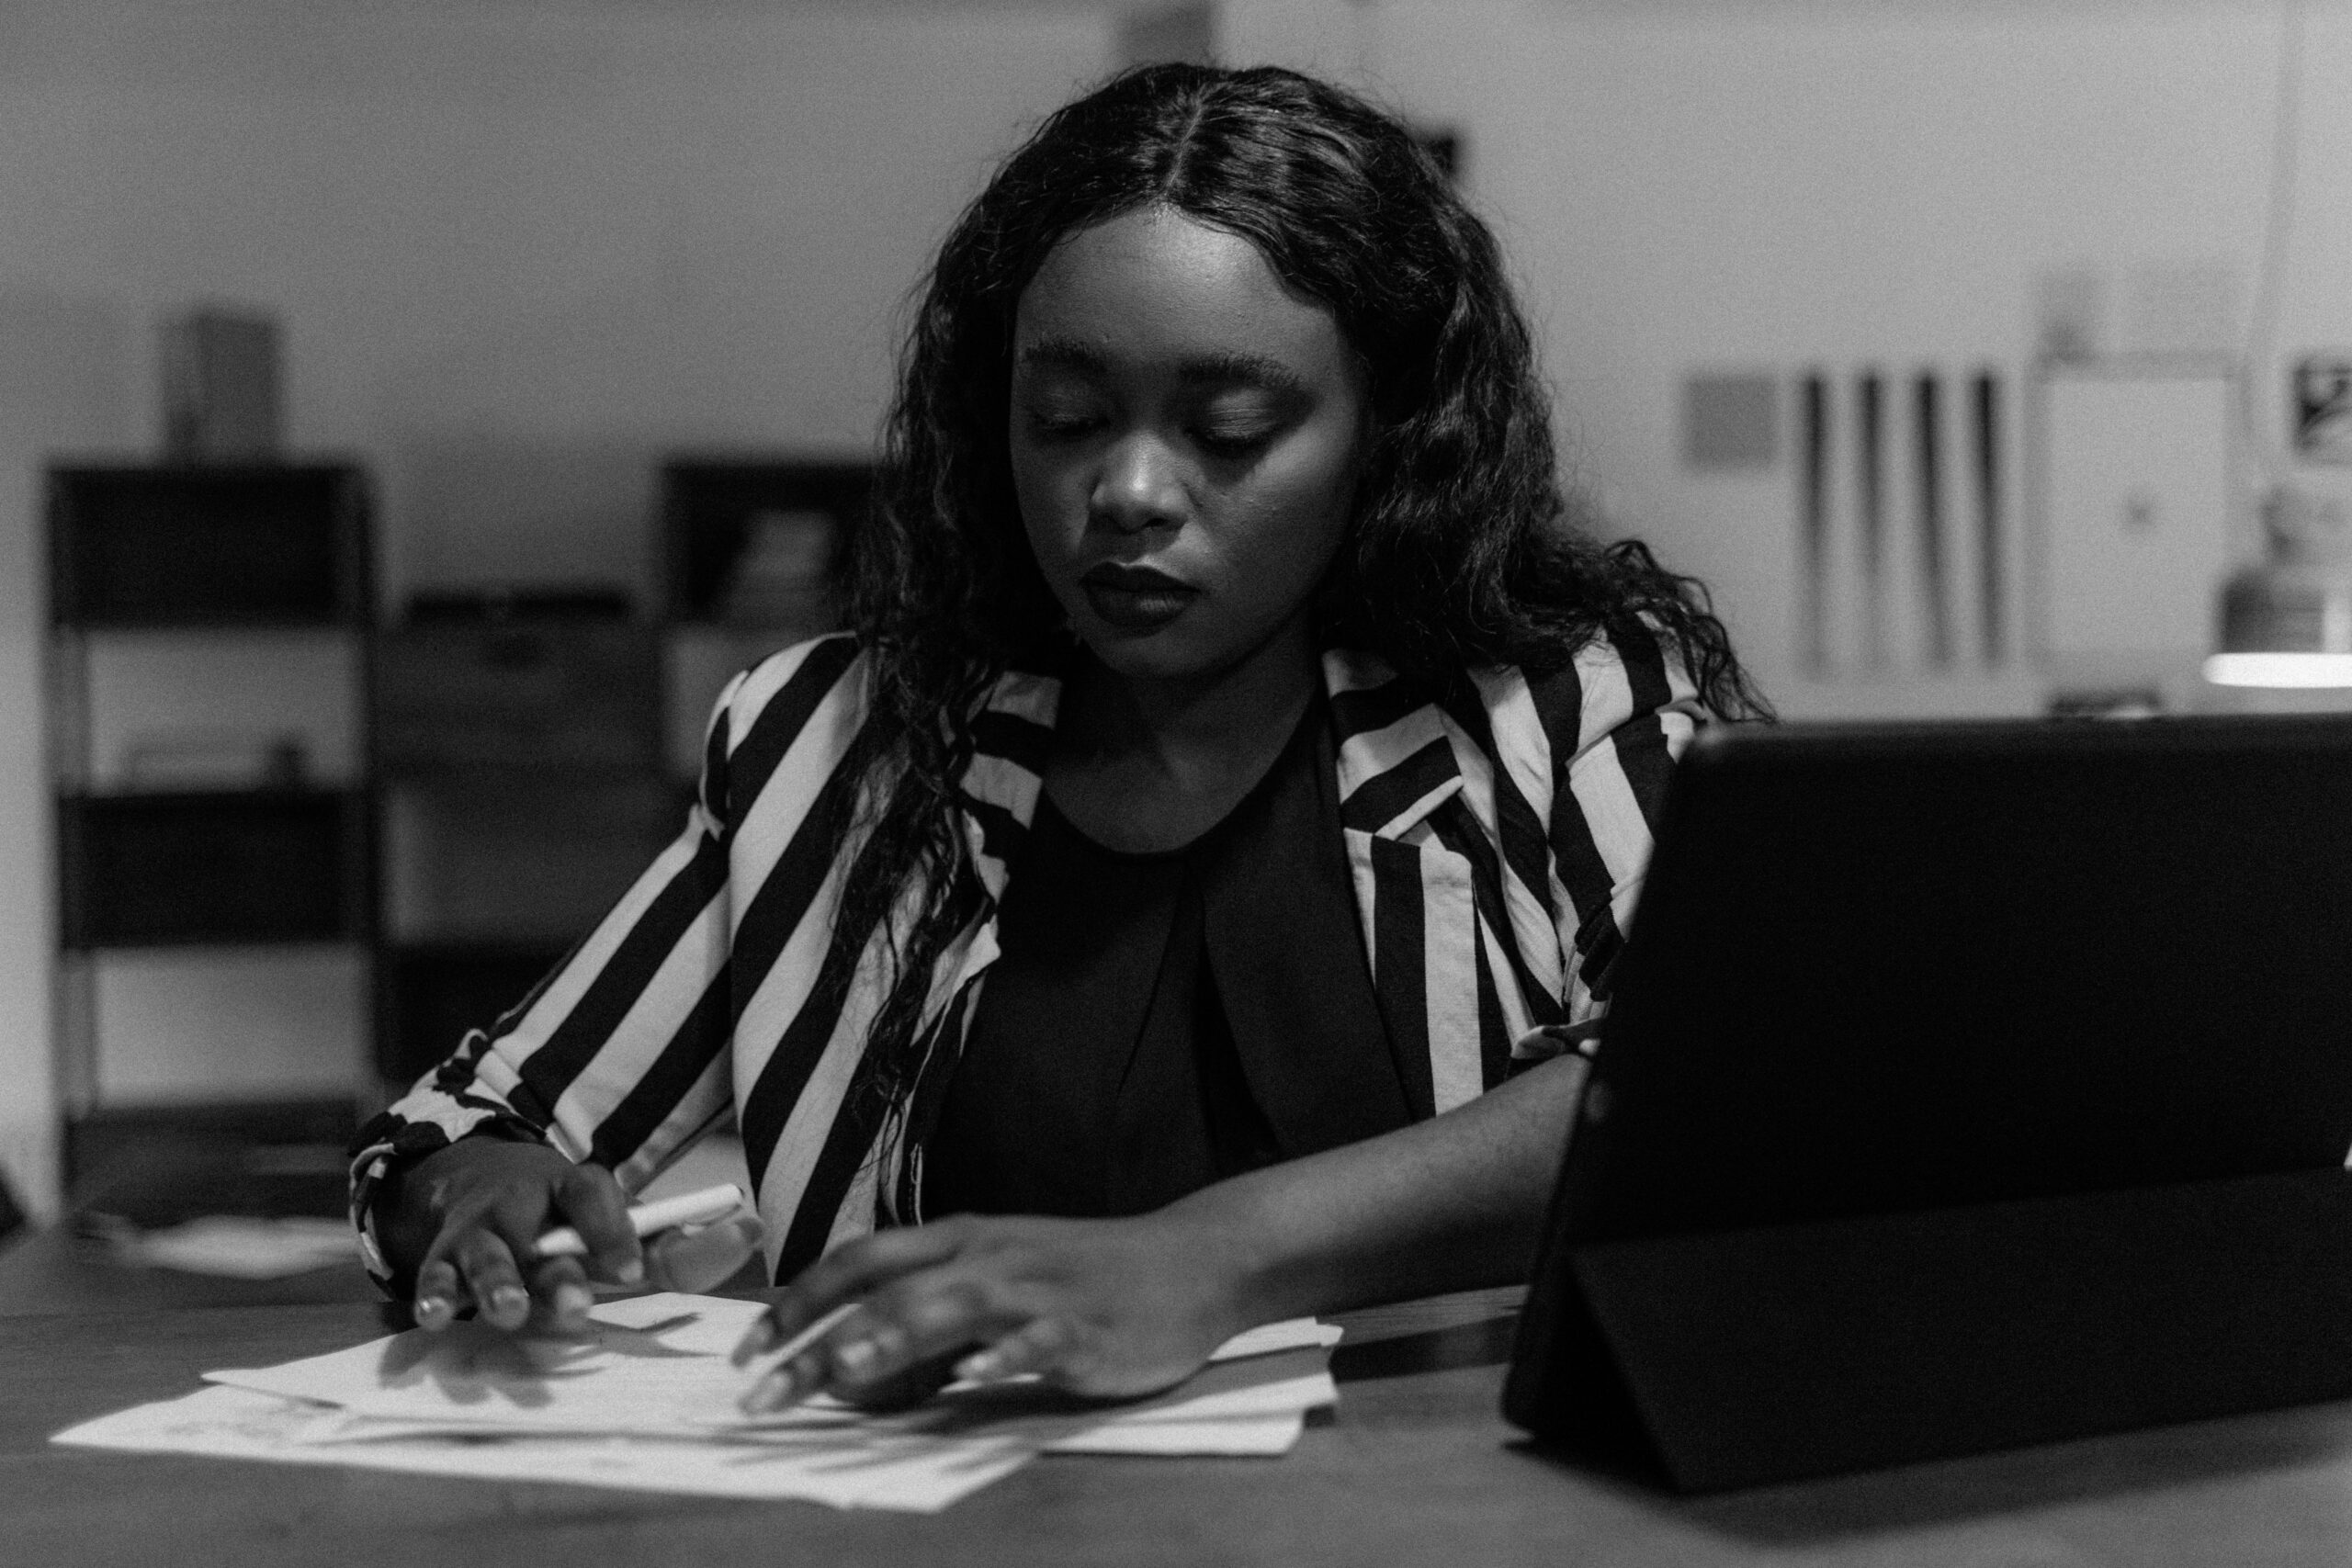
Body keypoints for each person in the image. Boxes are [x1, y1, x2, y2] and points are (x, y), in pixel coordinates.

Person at [352, 62, 1765, 1413]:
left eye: (1229, 428)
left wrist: (1207, 1258)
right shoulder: (835, 746)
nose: (1129, 489)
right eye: (1067, 418)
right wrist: (473, 1202)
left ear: (1388, 438)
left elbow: (1706, 1080)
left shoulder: (1557, 710)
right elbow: (471, 1122)